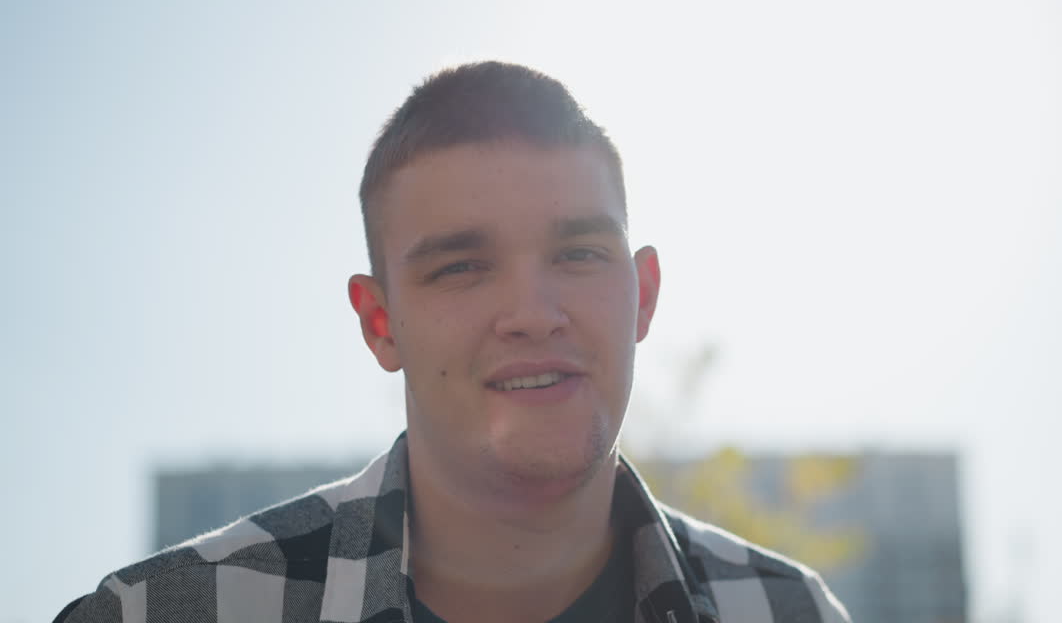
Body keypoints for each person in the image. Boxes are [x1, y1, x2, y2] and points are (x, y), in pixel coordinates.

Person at [56, 61, 851, 623]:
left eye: (578, 254)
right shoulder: (164, 615)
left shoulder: (791, 613)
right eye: (463, 267)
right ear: (380, 323)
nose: (532, 313)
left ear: (641, 296)